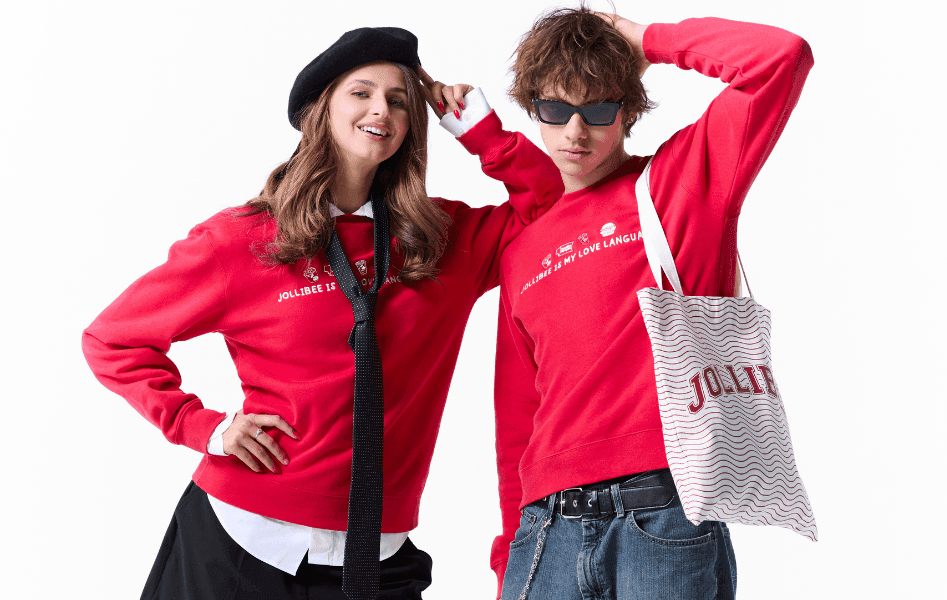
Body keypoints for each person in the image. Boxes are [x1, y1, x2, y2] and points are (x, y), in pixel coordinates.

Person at [81, 26, 562, 600]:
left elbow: (554, 210)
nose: (380, 108)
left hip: (378, 561)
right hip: (240, 540)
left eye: (399, 98)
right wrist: (200, 426)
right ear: (323, 111)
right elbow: (112, 340)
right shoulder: (243, 241)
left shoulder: (442, 240)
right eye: (361, 93)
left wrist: (481, 132)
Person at [490, 8, 813, 599]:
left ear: (631, 110)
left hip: (662, 511)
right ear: (533, 107)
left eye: (600, 109)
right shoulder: (522, 245)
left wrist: (643, 41)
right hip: (545, 531)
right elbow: (517, 421)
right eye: (557, 111)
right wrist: (509, 556)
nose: (576, 133)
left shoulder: (680, 184)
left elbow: (779, 58)